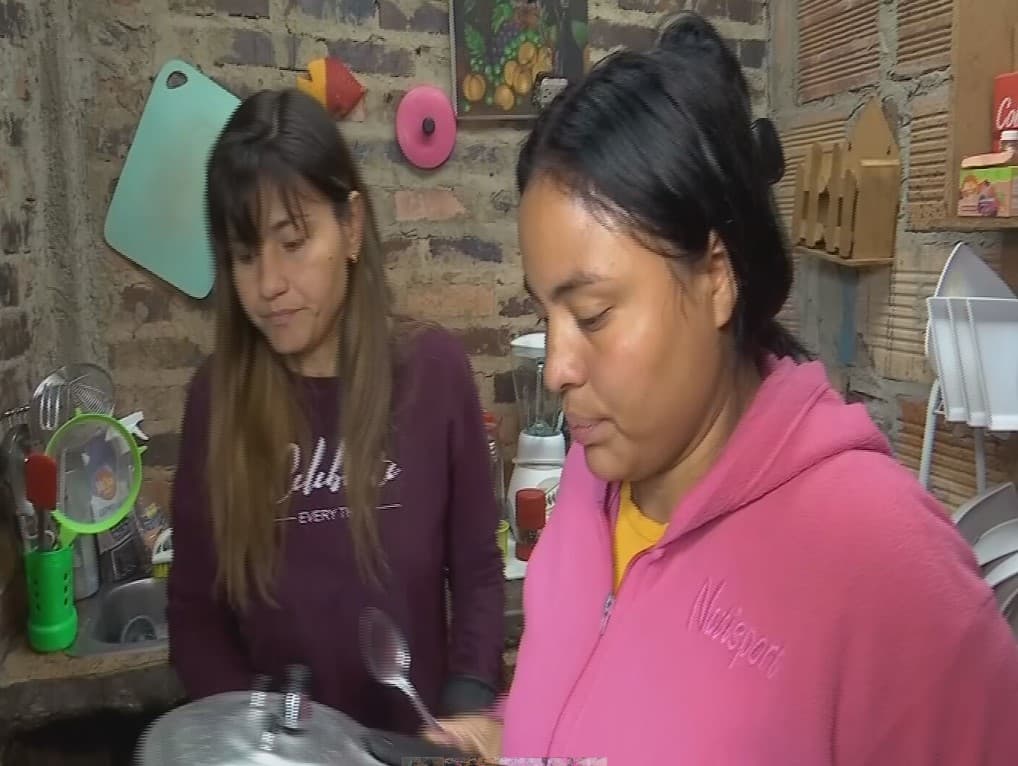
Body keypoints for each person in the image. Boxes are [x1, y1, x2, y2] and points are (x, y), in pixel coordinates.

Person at [426, 12, 1018, 764]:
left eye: (594, 314)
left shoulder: (884, 566)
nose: (558, 368)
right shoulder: (589, 477)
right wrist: (506, 734)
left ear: (714, 278)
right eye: (546, 314)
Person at [166, 88, 505, 735]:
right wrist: (264, 741)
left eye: (292, 242)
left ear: (350, 227)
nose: (267, 284)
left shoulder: (433, 373)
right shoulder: (215, 402)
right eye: (244, 254)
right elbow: (195, 617)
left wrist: (464, 710)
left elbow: (479, 573)